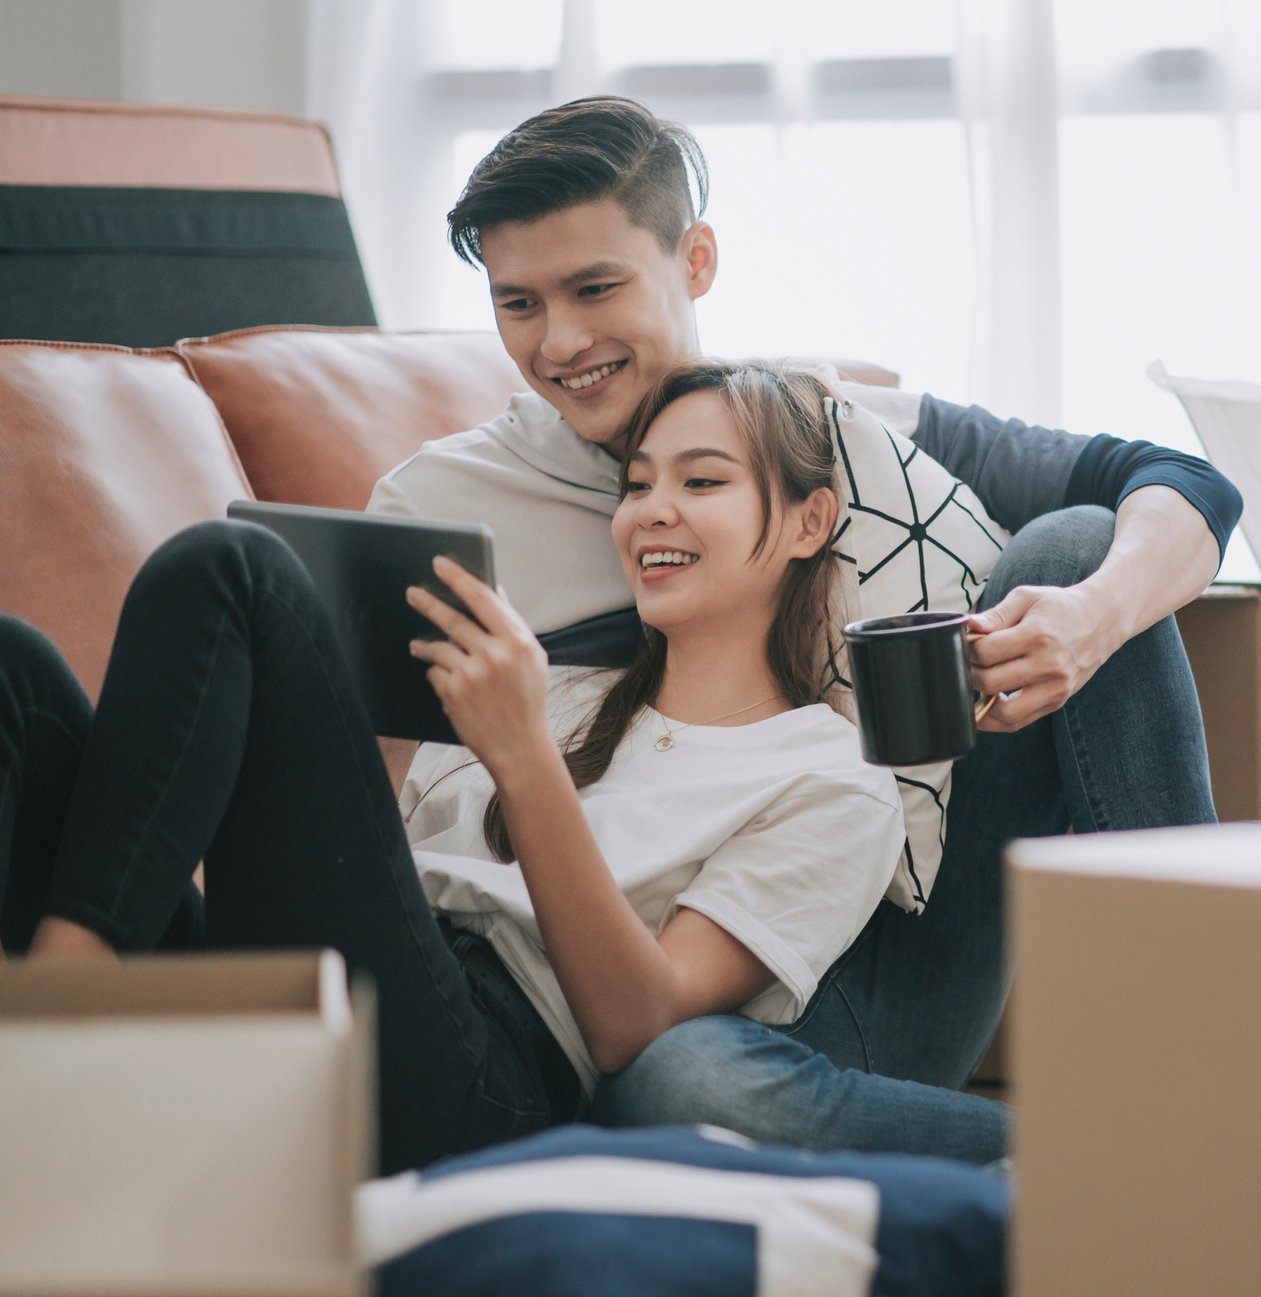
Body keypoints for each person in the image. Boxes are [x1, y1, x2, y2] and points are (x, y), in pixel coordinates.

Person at [368, 97, 1243, 1163]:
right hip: (644, 989)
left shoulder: (839, 433)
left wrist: (1087, 620)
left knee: (1072, 545)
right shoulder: (444, 510)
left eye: (596, 287)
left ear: (694, 259)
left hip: (887, 936)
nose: (561, 341)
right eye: (518, 303)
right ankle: (1097, 1169)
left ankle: (1216, 1081)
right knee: (672, 1066)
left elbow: (1181, 481)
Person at [0, 358, 912, 1177]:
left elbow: (635, 1024)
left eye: (702, 480)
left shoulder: (834, 778)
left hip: (491, 1077)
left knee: (234, 567)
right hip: (342, 991)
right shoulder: (556, 689)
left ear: (809, 520)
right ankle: (74, 1026)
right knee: (17, 675)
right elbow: (369, 873)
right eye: (636, 487)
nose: (652, 511)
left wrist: (522, 759)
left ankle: (52, 1030)